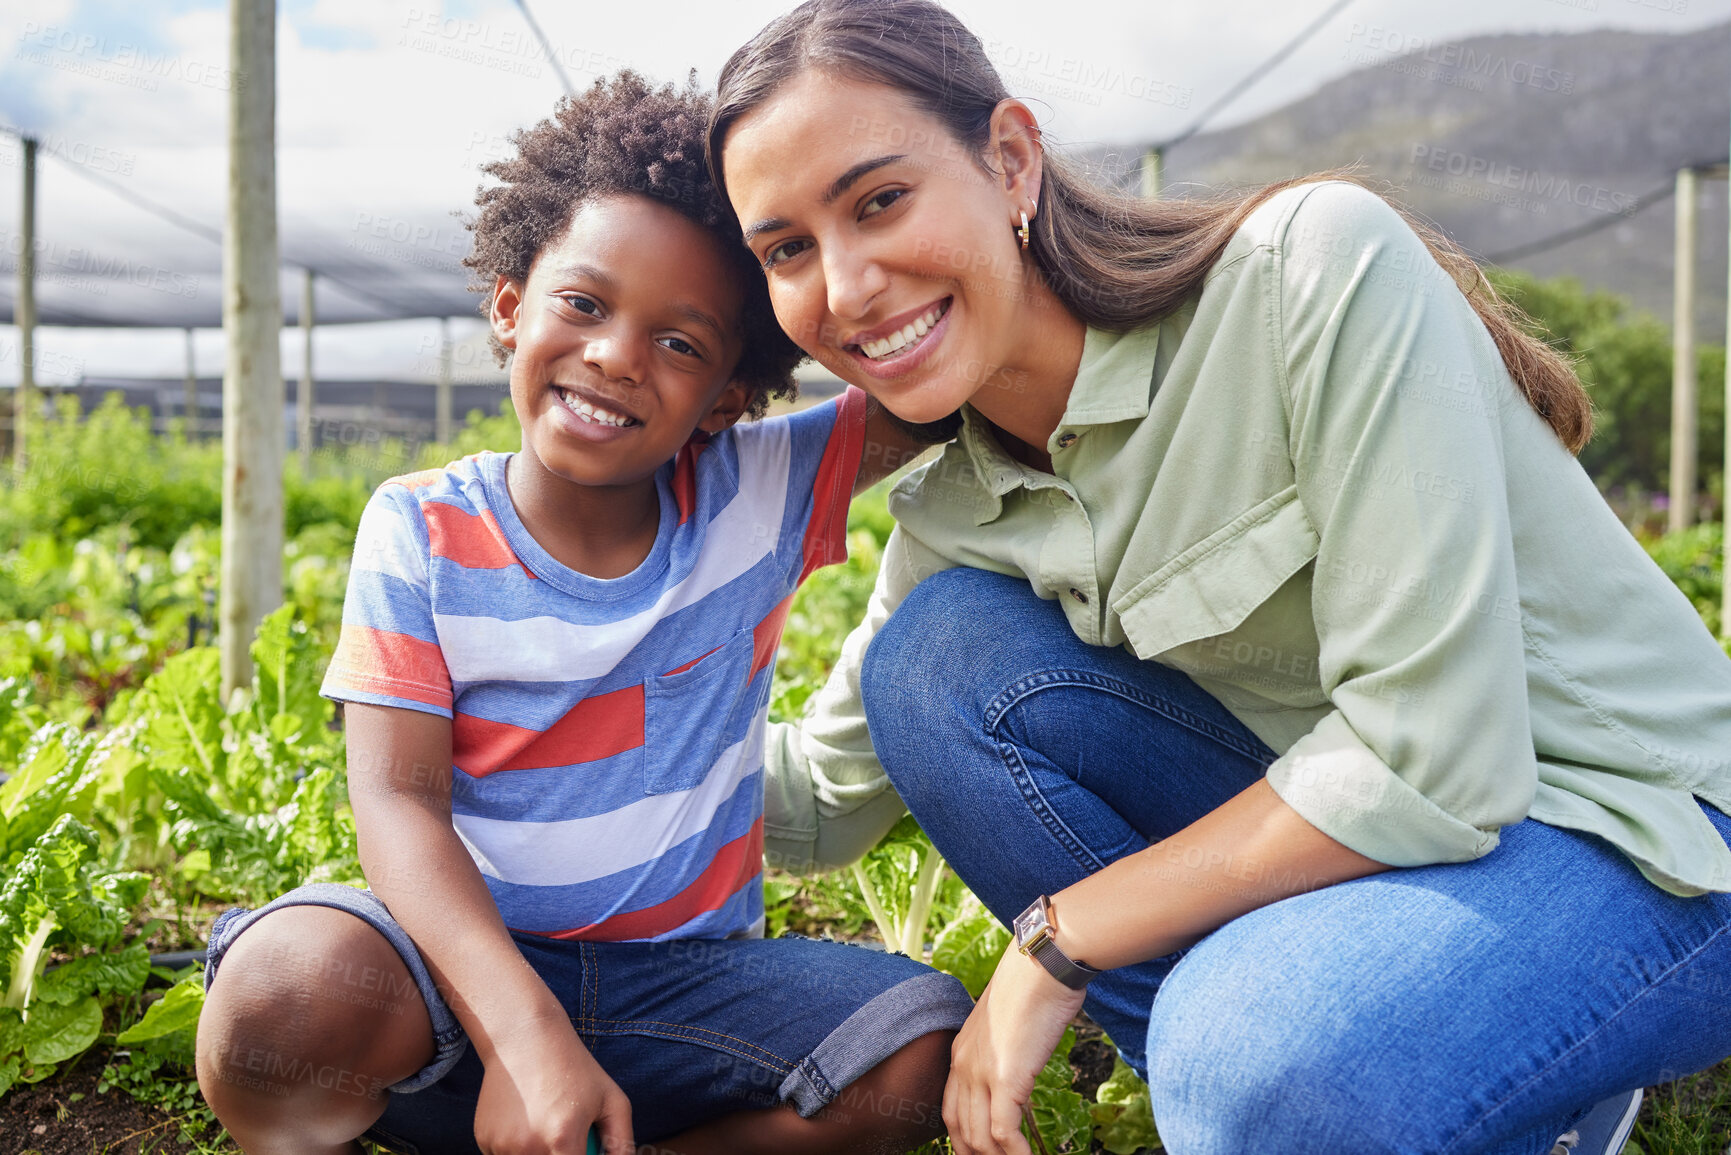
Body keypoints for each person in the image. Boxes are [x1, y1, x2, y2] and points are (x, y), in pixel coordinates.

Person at [707, 3, 1731, 1154]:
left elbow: (1432, 754)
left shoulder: (1310, 273)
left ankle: (1376, 1074)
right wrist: (532, 752)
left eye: (879, 200)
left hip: (1635, 828)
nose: (843, 287)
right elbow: (821, 803)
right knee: (939, 662)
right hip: (1388, 847)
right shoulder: (960, 510)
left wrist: (1060, 938)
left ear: (1009, 161)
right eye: (787, 248)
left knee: (1247, 1060)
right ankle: (1348, 1067)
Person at [193, 71, 969, 1155]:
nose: (616, 356)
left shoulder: (764, 493)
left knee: (919, 1056)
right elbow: (397, 804)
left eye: (683, 344)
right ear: (511, 309)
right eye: (585, 304)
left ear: (731, 397)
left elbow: (950, 369)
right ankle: (513, 1102)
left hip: (687, 990)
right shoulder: (420, 530)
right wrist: (523, 1035)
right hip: (462, 986)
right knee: (283, 1001)